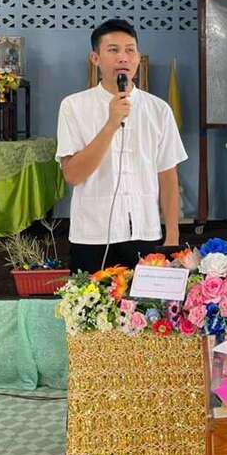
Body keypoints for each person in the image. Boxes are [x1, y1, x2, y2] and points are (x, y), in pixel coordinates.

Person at [56, 19, 187, 273]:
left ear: (138, 57)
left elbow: (168, 175)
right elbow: (72, 175)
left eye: (130, 50)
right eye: (113, 50)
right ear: (95, 58)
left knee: (145, 299)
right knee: (89, 299)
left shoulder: (159, 110)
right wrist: (111, 123)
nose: (123, 57)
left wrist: (172, 235)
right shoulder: (73, 106)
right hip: (92, 235)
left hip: (145, 231)